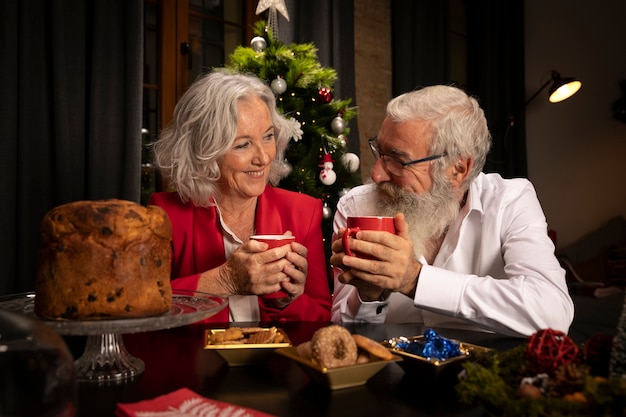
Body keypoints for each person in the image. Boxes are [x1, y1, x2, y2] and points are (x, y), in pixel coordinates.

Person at [330, 85, 574, 337]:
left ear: (457, 169)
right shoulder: (355, 206)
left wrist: (415, 280)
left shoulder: (509, 200)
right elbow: (343, 335)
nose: (376, 174)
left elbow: (552, 314)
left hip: (487, 370)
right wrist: (369, 296)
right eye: (379, 152)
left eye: (398, 160)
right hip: (392, 369)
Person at [149, 70, 331, 323]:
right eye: (243, 144)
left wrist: (288, 301)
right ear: (205, 149)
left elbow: (321, 320)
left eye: (268, 137)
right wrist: (225, 280)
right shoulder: (165, 216)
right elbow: (143, 308)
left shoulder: (303, 212)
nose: (264, 157)